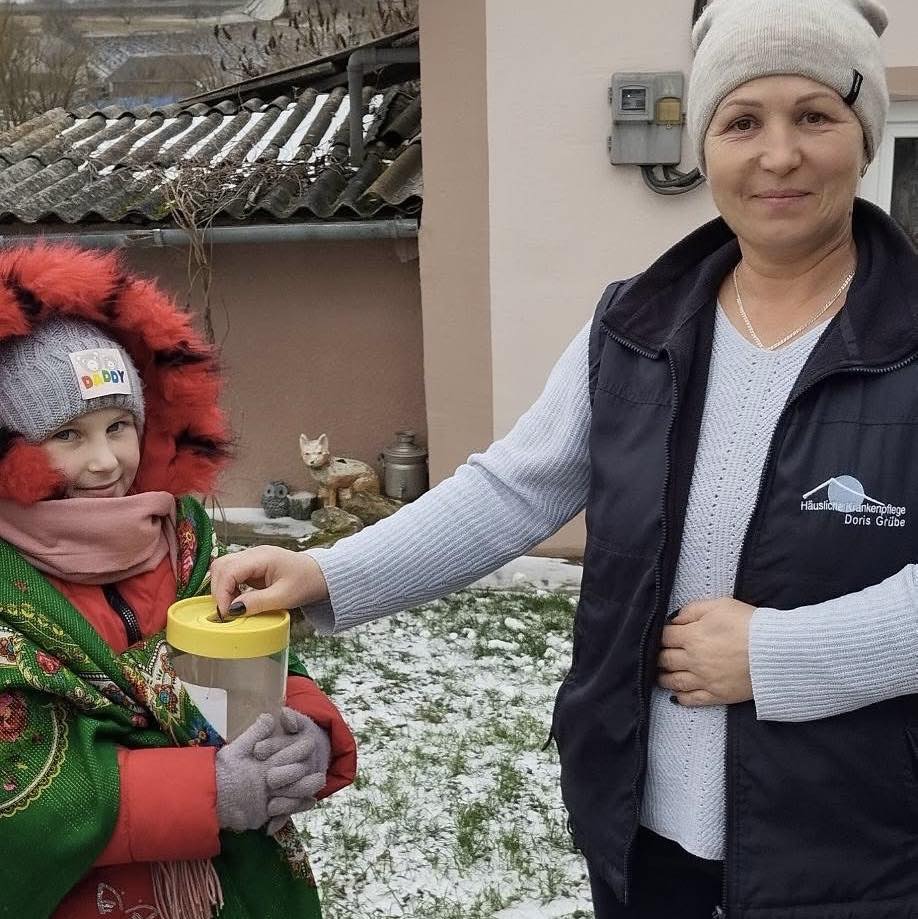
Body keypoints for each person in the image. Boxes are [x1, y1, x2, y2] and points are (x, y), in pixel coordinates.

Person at [211, 0, 918, 915]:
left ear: (864, 137)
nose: (778, 155)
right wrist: (326, 572)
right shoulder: (636, 328)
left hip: (856, 849)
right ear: (705, 143)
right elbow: (513, 490)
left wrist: (780, 654)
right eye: (742, 121)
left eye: (814, 115)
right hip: (642, 834)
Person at [0, 243, 357, 919]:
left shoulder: (181, 534)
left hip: (233, 882)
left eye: (118, 426)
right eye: (68, 436)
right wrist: (207, 790)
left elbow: (252, 652)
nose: (105, 461)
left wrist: (307, 726)